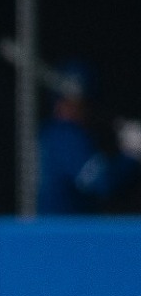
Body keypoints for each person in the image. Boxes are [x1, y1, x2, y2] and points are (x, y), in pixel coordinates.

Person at [38, 59, 141, 215]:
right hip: (60, 233)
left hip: (48, 228)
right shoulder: (65, 136)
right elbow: (102, 183)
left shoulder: (49, 132)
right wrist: (131, 156)